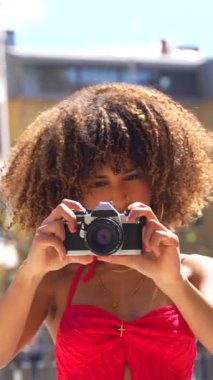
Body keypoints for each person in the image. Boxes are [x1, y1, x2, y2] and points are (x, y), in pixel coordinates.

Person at [0, 83, 213, 380]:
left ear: (160, 179)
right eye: (99, 182)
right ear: (73, 191)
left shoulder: (193, 270)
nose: (118, 194)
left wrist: (174, 283)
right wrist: (30, 272)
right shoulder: (55, 279)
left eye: (132, 176)